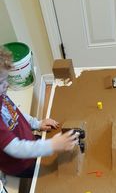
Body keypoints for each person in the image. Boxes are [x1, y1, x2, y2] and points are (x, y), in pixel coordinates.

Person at [0, 46, 77, 177]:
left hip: (29, 141)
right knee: (51, 179)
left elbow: (14, 113)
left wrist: (36, 123)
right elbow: (16, 148)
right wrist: (52, 145)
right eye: (2, 82)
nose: (7, 84)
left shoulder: (1, 95)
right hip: (21, 164)